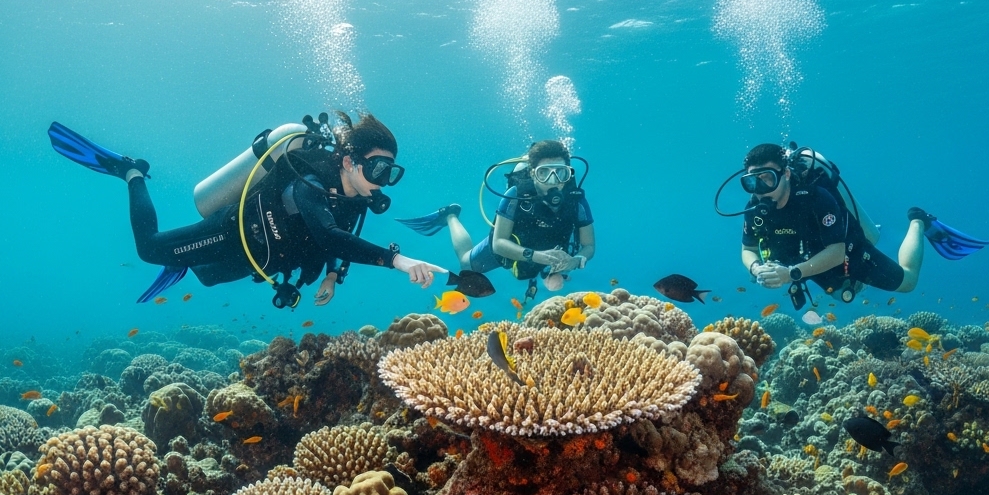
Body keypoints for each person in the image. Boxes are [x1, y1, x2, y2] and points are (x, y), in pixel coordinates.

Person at [48, 112, 445, 307]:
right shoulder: (308, 180)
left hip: (262, 259)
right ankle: (132, 172)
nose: (383, 180)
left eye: (391, 173)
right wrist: (398, 260)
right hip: (235, 231)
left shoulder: (354, 200)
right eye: (378, 168)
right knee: (150, 249)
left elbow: (338, 239)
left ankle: (183, 259)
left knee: (206, 278)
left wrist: (330, 276)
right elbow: (328, 235)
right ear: (348, 161)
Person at [733, 143, 988, 305]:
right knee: (839, 294)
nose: (760, 189)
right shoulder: (754, 208)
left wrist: (790, 273)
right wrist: (756, 269)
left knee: (908, 283)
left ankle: (918, 221)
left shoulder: (816, 198)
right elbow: (748, 249)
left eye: (767, 179)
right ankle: (854, 274)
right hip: (805, 260)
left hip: (842, 250)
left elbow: (838, 251)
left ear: (786, 174)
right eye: (751, 182)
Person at [397, 139, 595, 301]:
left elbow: (589, 246)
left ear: (569, 173)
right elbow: (499, 243)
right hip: (514, 247)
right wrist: (535, 256)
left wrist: (575, 261)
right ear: (533, 174)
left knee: (554, 283)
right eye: (544, 173)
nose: (553, 181)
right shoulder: (515, 195)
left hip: (550, 252)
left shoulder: (576, 200)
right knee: (466, 264)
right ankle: (450, 216)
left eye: (560, 173)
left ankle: (544, 273)